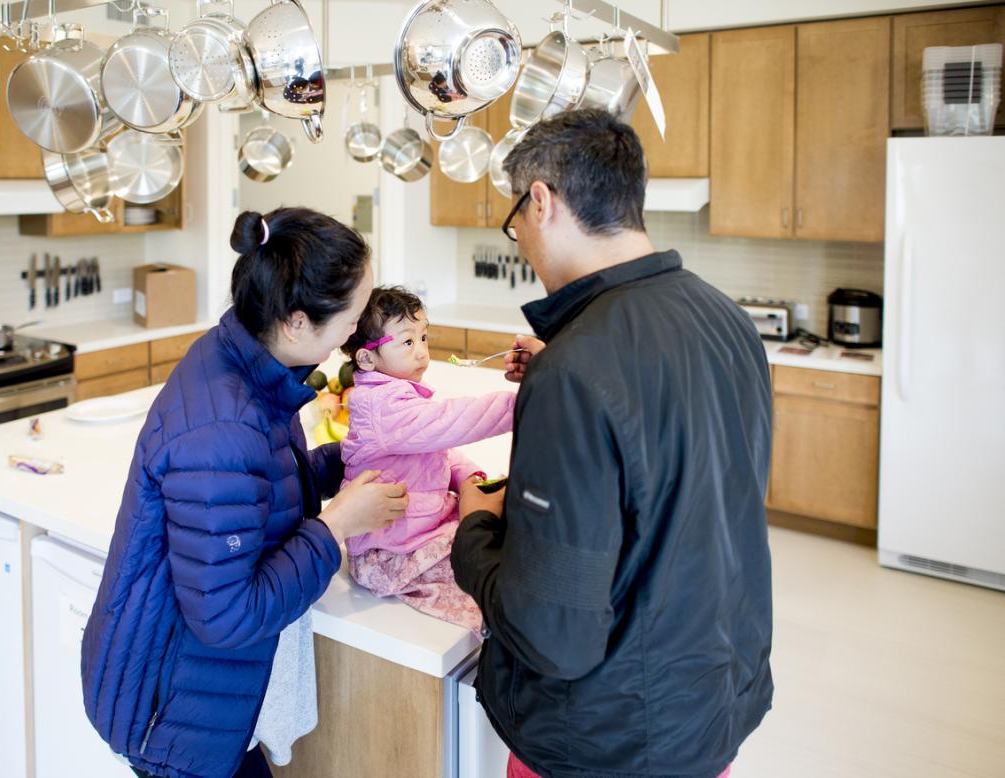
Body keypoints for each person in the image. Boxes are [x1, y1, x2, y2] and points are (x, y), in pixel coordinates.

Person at [450, 109, 775, 778]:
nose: (522, 244)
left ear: (540, 201)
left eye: (517, 224)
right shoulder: (725, 319)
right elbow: (676, 480)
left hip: (603, 742)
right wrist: (560, 371)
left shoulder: (578, 368)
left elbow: (555, 634)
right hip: (706, 705)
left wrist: (474, 532)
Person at [80, 208, 409, 778]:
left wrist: (341, 462)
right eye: (351, 319)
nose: (355, 336)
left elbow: (261, 486)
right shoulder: (222, 430)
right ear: (298, 322)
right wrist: (335, 528)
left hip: (189, 683)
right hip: (171, 712)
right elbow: (227, 616)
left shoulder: (245, 359)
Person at [337, 286, 515, 633]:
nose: (422, 353)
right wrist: (519, 404)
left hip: (417, 529)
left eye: (424, 337)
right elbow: (449, 423)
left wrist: (469, 478)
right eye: (407, 342)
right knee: (485, 573)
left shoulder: (396, 396)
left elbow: (436, 450)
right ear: (367, 359)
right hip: (388, 550)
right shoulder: (382, 408)